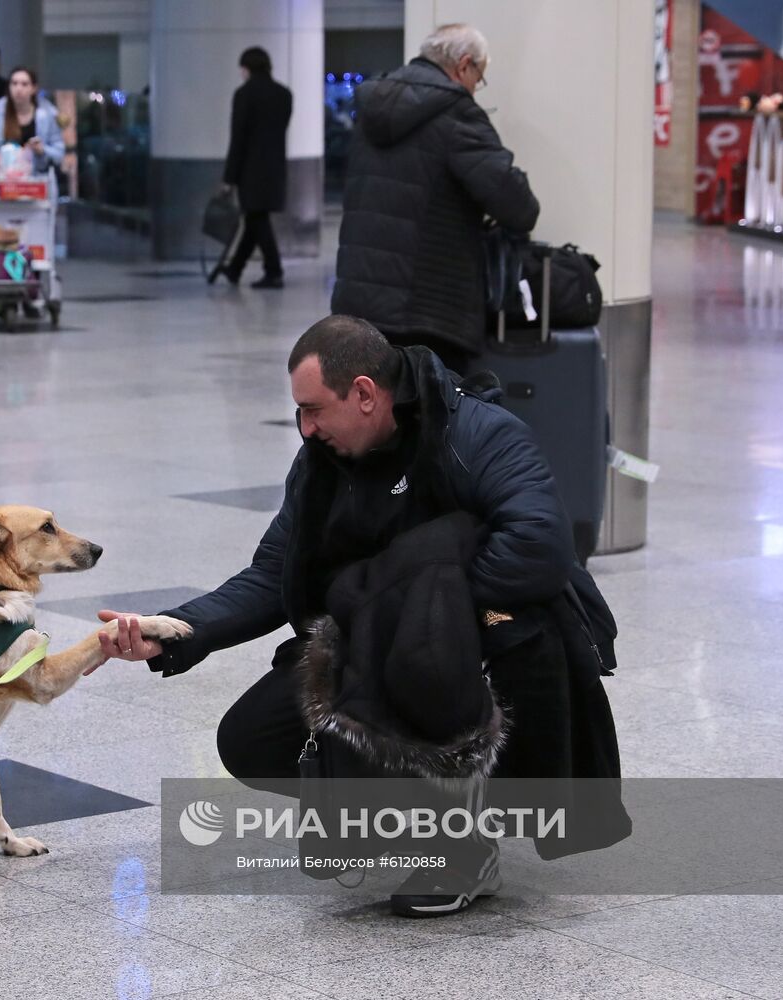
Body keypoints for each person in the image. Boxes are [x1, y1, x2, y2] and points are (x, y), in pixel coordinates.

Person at [96, 316, 625, 916]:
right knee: (250, 740)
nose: (305, 427)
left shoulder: (476, 434)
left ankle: (458, 843)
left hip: (488, 644)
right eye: (298, 412)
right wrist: (174, 631)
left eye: (315, 409)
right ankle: (412, 820)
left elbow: (539, 546)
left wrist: (420, 609)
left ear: (367, 394)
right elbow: (273, 574)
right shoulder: (321, 463)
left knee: (431, 666)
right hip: (369, 640)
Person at [330, 24, 539, 374]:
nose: (476, 87)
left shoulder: (371, 107)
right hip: (429, 308)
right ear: (464, 65)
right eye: (479, 77)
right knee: (434, 420)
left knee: (375, 415)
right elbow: (517, 206)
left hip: (360, 304)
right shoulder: (457, 113)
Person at [209, 46, 292, 290]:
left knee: (257, 219)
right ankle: (235, 268)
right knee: (255, 219)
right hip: (275, 168)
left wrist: (229, 178)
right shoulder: (284, 94)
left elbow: (239, 138)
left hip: (250, 171)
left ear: (247, 68)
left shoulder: (244, 95)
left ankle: (274, 270)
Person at [0, 66, 65, 174]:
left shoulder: (48, 115)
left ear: (34, 88)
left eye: (24, 84)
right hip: (3, 181)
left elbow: (59, 152)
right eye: (14, 83)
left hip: (37, 182)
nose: (18, 88)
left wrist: (42, 150)